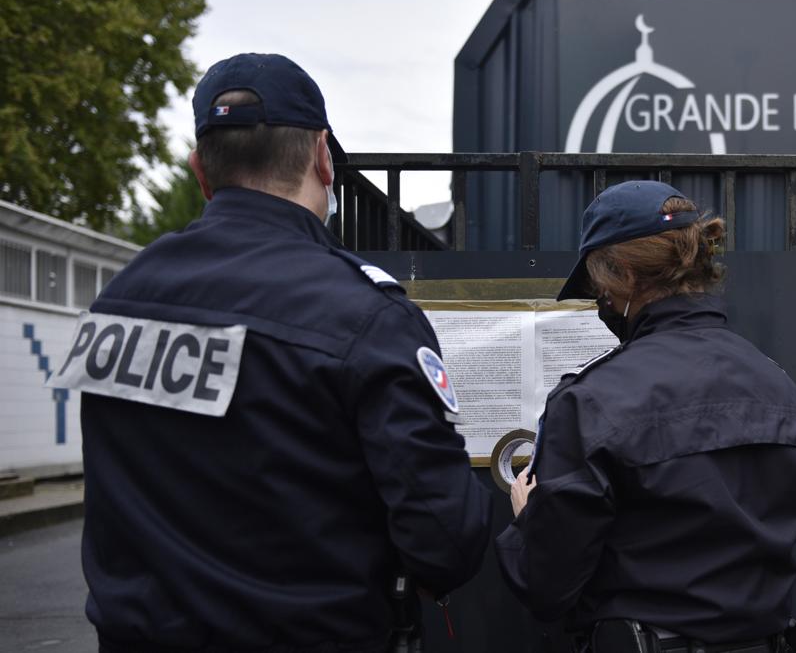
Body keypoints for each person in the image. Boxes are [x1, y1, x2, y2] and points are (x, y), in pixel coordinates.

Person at [59, 53, 491, 652]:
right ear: (322, 157)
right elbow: (445, 543)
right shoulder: (366, 314)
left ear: (199, 170)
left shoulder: (121, 297)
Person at [495, 181, 796, 652]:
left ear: (624, 277)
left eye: (599, 286)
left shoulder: (590, 402)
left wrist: (530, 519)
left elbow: (546, 585)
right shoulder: (781, 388)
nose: (602, 303)